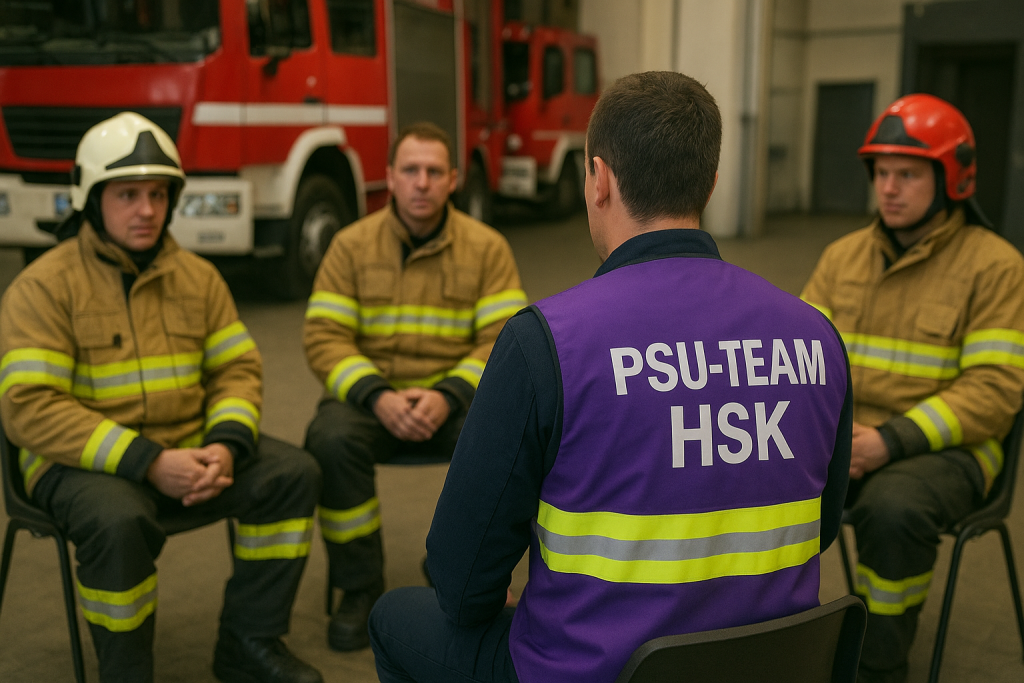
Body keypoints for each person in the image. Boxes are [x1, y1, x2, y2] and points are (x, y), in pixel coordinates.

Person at [367, 71, 853, 683]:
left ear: (599, 179)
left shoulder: (547, 341)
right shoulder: (815, 335)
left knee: (393, 618)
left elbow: (461, 582)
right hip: (772, 665)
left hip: (588, 672)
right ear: (710, 183)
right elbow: (823, 526)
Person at [0, 112, 323, 683]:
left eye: (157, 194)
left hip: (189, 448)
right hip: (80, 466)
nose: (146, 210)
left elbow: (236, 369)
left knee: (291, 473)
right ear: (91, 199)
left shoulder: (198, 278)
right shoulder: (43, 287)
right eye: (127, 195)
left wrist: (226, 445)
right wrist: (148, 462)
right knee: (118, 521)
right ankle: (126, 673)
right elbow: (30, 406)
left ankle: (248, 642)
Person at [800, 93, 1024, 683]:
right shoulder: (842, 257)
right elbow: (798, 361)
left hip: (951, 450)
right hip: (848, 440)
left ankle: (879, 665)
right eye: (881, 173)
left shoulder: (996, 267)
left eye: (908, 174)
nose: (889, 188)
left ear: (953, 179)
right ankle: (770, 636)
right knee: (748, 470)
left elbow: (995, 390)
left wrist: (888, 442)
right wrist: (833, 436)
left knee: (892, 511)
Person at [302, 121, 527, 652]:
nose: (421, 182)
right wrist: (377, 396)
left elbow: (503, 340)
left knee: (513, 439)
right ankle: (359, 586)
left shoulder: (487, 249)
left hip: (457, 400)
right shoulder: (350, 246)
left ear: (453, 179)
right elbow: (324, 335)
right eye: (410, 170)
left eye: (433, 171)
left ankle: (461, 571)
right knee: (329, 440)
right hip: (371, 399)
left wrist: (447, 396)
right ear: (389, 177)